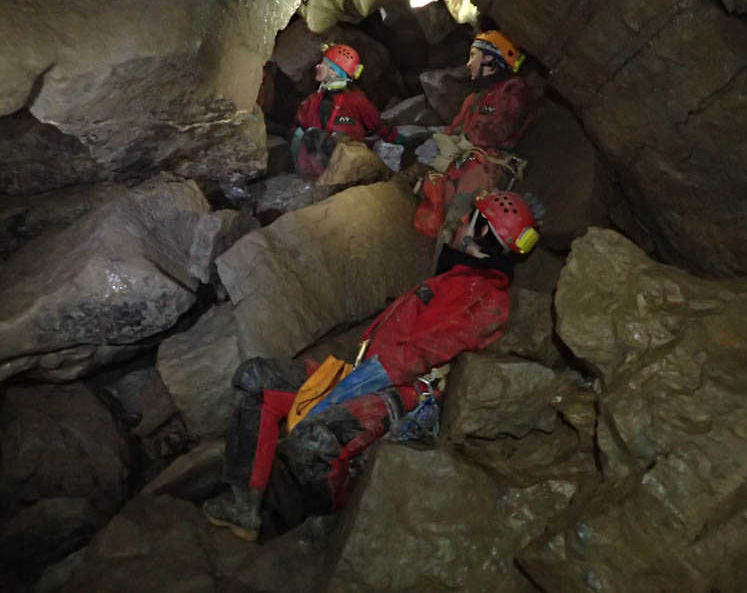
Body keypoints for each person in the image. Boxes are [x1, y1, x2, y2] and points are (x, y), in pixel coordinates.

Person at [202, 190, 540, 543]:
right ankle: (243, 505)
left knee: (316, 437)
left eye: (472, 217)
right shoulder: (455, 277)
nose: (462, 221)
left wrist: (354, 387)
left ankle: (329, 522)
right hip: (365, 371)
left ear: (482, 231)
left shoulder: (485, 296)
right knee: (255, 377)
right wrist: (355, 378)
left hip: (402, 395)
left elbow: (424, 352)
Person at [413, 30, 536, 243]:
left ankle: (454, 229)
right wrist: (447, 140)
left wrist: (463, 142)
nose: (469, 64)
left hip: (489, 163)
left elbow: (498, 129)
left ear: (490, 59)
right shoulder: (476, 97)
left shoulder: (514, 90)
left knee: (476, 176)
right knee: (438, 180)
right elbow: (455, 126)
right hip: (467, 156)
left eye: (473, 56)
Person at [290, 43, 392, 175]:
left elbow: (377, 125)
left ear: (333, 72)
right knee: (306, 135)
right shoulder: (313, 100)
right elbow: (297, 126)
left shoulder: (355, 100)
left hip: (347, 162)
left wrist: (397, 139)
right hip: (319, 164)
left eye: (323, 64)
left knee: (318, 135)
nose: (317, 66)